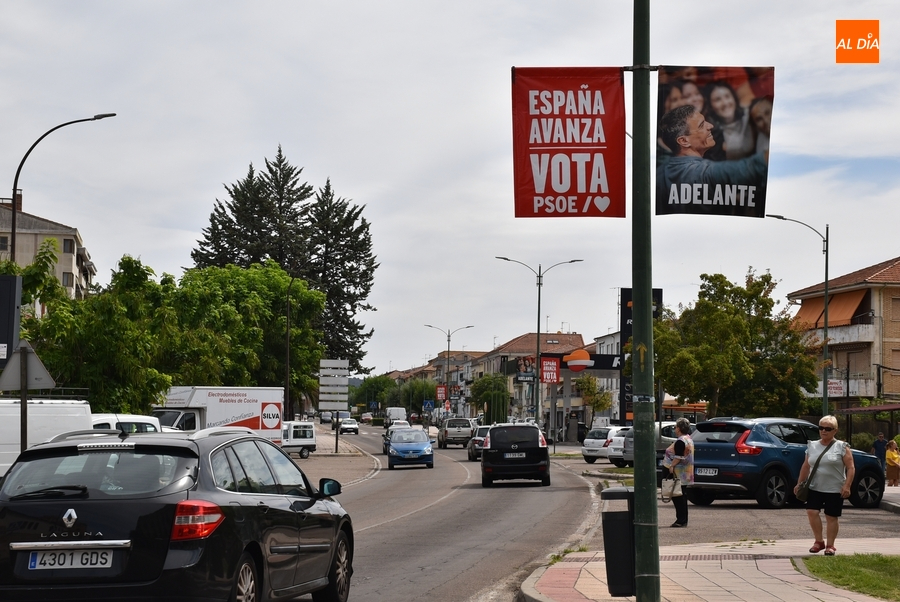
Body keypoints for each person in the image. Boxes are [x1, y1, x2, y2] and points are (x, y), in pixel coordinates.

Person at [656, 104, 768, 213]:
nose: (710, 126)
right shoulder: (705, 173)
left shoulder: (658, 174)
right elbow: (754, 168)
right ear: (684, 141)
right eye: (701, 125)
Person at [794, 415, 855, 556]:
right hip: (815, 486)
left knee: (831, 516)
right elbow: (806, 465)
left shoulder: (842, 447)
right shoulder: (812, 446)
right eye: (821, 428)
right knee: (811, 511)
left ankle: (830, 545)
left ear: (835, 430)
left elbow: (851, 467)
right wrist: (799, 483)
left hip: (835, 488)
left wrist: (847, 486)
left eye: (828, 428)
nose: (824, 431)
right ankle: (819, 541)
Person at [705, 81, 756, 160]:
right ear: (710, 106)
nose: (725, 103)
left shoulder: (749, 117)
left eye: (727, 96)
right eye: (718, 99)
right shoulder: (710, 131)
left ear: (734, 98)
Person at [662, 417, 694, 528]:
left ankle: (681, 520)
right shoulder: (688, 439)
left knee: (678, 497)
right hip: (685, 473)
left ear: (679, 428)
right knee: (682, 496)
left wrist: (671, 466)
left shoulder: (681, 441)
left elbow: (679, 456)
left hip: (678, 473)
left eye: (675, 427)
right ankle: (682, 519)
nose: (675, 429)